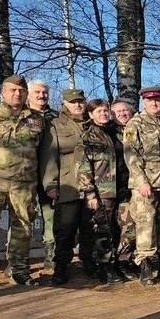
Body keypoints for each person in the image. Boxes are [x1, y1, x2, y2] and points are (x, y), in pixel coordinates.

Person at [0, 75, 43, 284]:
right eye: (12, 90)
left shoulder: (37, 119)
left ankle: (18, 270)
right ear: (3, 92)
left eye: (21, 91)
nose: (17, 94)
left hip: (24, 183)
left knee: (23, 226)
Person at [123, 86, 160, 285]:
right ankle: (145, 264)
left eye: (157, 100)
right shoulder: (135, 124)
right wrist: (141, 181)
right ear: (144, 102)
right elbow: (131, 155)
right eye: (150, 100)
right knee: (145, 224)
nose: (154, 103)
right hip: (145, 184)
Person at [38, 88, 91, 285]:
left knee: (89, 227)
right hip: (68, 182)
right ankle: (61, 265)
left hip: (93, 184)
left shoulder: (91, 121)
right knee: (65, 228)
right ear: (65, 104)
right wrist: (50, 183)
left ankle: (89, 261)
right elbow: (49, 155)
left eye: (80, 101)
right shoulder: (55, 124)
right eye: (73, 102)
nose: (77, 105)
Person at [74, 99, 124, 285]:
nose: (103, 114)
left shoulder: (116, 132)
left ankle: (119, 263)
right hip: (102, 191)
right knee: (103, 231)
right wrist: (90, 194)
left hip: (122, 189)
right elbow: (83, 168)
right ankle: (105, 268)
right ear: (90, 114)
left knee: (120, 229)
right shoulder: (88, 137)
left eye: (105, 110)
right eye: (99, 111)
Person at [27, 80, 59, 270]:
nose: (41, 95)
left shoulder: (56, 117)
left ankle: (50, 254)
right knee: (22, 216)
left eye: (44, 92)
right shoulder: (22, 115)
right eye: (37, 92)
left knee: (51, 214)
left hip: (50, 172)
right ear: (29, 94)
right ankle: (17, 258)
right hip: (26, 172)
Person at [110, 98, 137, 280]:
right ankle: (118, 262)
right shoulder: (108, 134)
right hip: (113, 187)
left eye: (125, 111)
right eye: (117, 112)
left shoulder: (137, 129)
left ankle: (126, 260)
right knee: (120, 227)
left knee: (130, 226)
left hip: (134, 186)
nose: (122, 114)